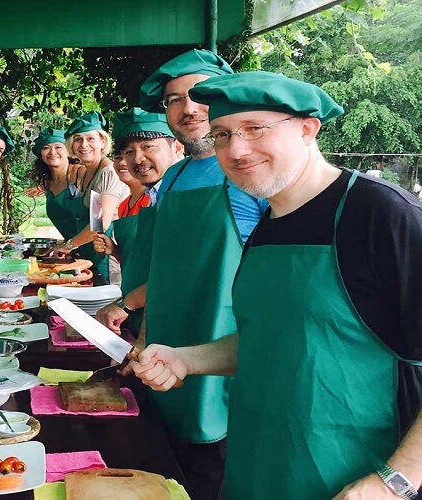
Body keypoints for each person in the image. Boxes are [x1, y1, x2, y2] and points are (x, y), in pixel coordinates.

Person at [132, 70, 422, 500]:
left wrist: (393, 481)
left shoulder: (382, 215)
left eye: (255, 129)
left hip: (352, 480)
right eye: (223, 135)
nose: (237, 149)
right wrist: (185, 359)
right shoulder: (268, 222)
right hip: (256, 468)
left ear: (308, 129)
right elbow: (273, 336)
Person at [123, 49, 267, 500]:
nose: (187, 108)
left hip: (226, 365)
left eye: (198, 94)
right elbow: (164, 273)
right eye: (173, 100)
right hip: (166, 360)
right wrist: (144, 336)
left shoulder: (253, 174)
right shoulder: (175, 176)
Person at [94, 109, 183, 335]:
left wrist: (126, 304)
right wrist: (116, 250)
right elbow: (147, 261)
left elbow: (180, 272)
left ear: (177, 148)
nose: (138, 159)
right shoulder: (153, 196)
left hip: (171, 323)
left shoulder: (185, 198)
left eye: (148, 147)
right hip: (139, 319)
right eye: (128, 152)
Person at [52, 111, 129, 283]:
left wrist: (69, 245)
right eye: (78, 139)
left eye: (90, 139)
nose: (83, 145)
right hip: (89, 251)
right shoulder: (87, 172)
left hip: (107, 253)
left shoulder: (108, 173)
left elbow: (100, 223)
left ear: (102, 141)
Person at [31, 128, 87, 246]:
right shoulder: (47, 182)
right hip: (70, 248)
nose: (52, 152)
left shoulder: (82, 174)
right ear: (40, 154)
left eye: (58, 147)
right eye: (46, 148)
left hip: (96, 247)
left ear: (68, 151)